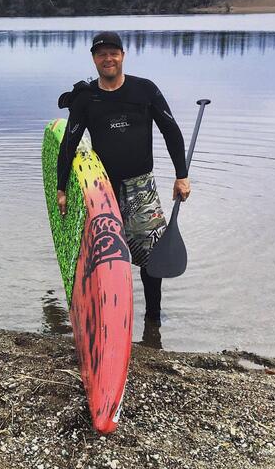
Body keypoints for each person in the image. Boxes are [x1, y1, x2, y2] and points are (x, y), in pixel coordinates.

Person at [56, 31, 190, 325]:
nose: (108, 59)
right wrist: (61, 187)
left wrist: (181, 176)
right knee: (103, 254)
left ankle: (152, 318)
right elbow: (69, 142)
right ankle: (105, 315)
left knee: (151, 256)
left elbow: (171, 131)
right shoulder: (86, 99)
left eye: (113, 52)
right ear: (94, 59)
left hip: (142, 185)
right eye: (101, 54)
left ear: (123, 55)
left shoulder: (145, 90)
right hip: (102, 188)